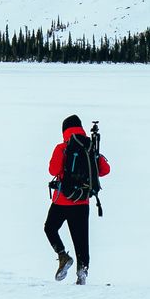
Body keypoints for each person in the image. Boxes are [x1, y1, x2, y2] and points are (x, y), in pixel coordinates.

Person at [44, 114, 111, 285]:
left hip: (62, 200)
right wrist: (95, 155)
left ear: (64, 130)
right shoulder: (89, 148)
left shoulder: (62, 147)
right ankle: (82, 272)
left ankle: (63, 256)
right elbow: (105, 170)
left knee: (50, 228)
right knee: (81, 240)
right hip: (82, 202)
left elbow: (53, 170)